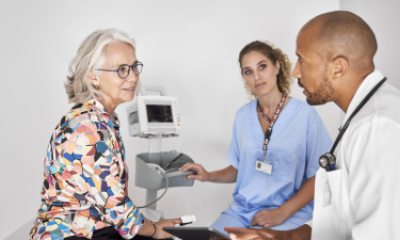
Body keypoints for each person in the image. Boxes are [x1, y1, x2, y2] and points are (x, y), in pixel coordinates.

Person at [226, 10, 400, 240]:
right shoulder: (362, 117)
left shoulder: (378, 127)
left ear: (337, 67)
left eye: (302, 59)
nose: (296, 71)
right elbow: (346, 217)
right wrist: (283, 238)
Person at [30, 29, 180, 240]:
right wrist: (156, 229)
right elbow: (117, 208)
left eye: (135, 67)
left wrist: (154, 227)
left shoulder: (105, 120)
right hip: (68, 233)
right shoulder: (86, 128)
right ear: (93, 76)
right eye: (121, 70)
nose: (133, 77)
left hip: (95, 228)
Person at [180, 41, 331, 235]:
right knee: (213, 237)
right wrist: (208, 175)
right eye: (248, 71)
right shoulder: (242, 116)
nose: (257, 76)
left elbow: (320, 174)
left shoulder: (305, 115)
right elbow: (239, 168)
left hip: (289, 213)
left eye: (262, 66)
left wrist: (282, 212)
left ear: (277, 66)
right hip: (243, 211)